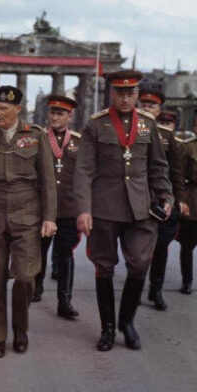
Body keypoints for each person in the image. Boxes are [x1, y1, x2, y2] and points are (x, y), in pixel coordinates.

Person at [74, 70, 174, 352]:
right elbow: (83, 170)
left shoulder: (148, 124)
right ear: (112, 94)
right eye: (120, 93)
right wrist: (83, 209)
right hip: (104, 207)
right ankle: (107, 328)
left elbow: (158, 166)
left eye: (131, 93)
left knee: (140, 263)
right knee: (104, 266)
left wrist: (165, 195)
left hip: (140, 208)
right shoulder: (96, 125)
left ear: (137, 94)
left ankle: (126, 322)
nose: (126, 98)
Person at [0, 85, 57, 358]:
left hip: (26, 211)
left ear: (18, 109)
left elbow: (48, 181)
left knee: (26, 275)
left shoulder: (35, 136)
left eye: (3, 108)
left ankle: (20, 328)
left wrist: (49, 217)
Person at [32, 95, 81, 319]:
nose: (54, 117)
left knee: (66, 254)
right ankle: (36, 288)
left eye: (60, 113)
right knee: (39, 250)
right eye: (52, 112)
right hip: (42, 207)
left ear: (70, 116)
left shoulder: (79, 141)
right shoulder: (38, 138)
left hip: (69, 208)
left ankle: (65, 300)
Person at [139, 90, 187, 310]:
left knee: (161, 247)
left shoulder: (167, 136)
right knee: (138, 249)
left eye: (151, 106)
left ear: (158, 111)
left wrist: (179, 199)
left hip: (162, 201)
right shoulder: (130, 132)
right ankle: (135, 288)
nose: (147, 109)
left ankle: (156, 289)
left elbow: (176, 172)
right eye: (144, 105)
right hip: (138, 200)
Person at [176, 115, 197, 294]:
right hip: (193, 200)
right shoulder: (187, 147)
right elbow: (179, 176)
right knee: (187, 245)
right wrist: (181, 200)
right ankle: (187, 280)